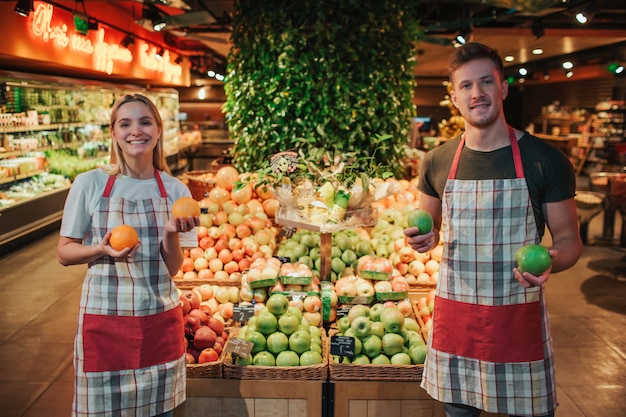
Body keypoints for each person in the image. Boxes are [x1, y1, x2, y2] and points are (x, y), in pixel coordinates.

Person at [404, 42, 582, 417]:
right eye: (466, 86)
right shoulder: (437, 162)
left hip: (517, 323)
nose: (477, 93)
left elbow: (568, 240)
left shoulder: (544, 160)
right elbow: (429, 228)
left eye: (486, 82)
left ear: (502, 88)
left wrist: (553, 259)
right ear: (454, 97)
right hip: (457, 323)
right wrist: (425, 239)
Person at [57, 93, 199, 417]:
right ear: (114, 133)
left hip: (158, 318)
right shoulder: (91, 184)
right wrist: (101, 249)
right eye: (126, 123)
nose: (136, 131)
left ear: (159, 130)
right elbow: (64, 253)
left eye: (145, 122)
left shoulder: (177, 191)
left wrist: (169, 234)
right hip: (105, 319)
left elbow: (174, 268)